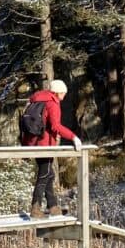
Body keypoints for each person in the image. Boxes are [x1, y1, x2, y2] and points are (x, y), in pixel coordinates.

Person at [21, 78, 82, 218]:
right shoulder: (52, 103)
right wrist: (73, 137)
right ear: (58, 92)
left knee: (49, 174)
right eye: (63, 93)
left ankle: (53, 206)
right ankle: (35, 208)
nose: (64, 95)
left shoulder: (36, 100)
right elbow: (55, 126)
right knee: (44, 174)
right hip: (45, 144)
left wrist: (25, 145)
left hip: (34, 142)